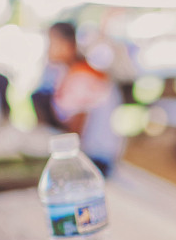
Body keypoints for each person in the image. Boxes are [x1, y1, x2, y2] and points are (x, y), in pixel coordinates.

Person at [43, 21, 123, 176]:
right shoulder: (72, 72)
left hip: (94, 160)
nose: (48, 50)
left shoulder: (83, 77)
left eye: (51, 43)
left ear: (67, 45)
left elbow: (75, 133)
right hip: (93, 157)